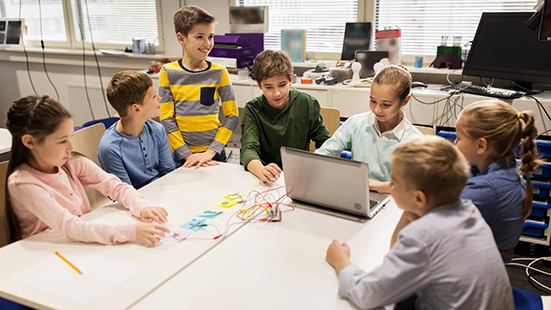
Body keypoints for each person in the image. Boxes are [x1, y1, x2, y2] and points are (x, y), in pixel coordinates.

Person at [326, 136, 513, 310]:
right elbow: (396, 256)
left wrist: (341, 260)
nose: (390, 187)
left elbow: (366, 295)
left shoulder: (423, 236)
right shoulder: (469, 211)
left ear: (419, 197)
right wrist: (410, 210)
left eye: (393, 182)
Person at [4, 95, 170, 247]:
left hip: (82, 242)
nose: (71, 147)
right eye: (62, 141)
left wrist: (141, 206)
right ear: (30, 142)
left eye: (70, 138)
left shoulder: (70, 162)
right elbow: (70, 227)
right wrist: (131, 231)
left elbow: (113, 185)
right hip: (49, 254)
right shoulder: (22, 183)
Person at [315, 65, 422, 194]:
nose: (377, 109)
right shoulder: (356, 124)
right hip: (357, 194)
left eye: (386, 104)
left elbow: (417, 187)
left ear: (405, 101)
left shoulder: (415, 141)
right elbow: (324, 154)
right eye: (372, 101)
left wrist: (380, 186)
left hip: (394, 202)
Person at [455, 100, 538, 263]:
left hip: (474, 270)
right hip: (482, 262)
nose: (455, 144)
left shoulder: (488, 188)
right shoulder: (505, 165)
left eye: (458, 138)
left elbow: (428, 218)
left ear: (481, 146)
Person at [159, 5, 238, 169]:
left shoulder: (220, 72)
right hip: (182, 157)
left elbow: (232, 117)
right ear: (181, 39)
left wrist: (210, 152)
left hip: (214, 154)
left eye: (210, 36)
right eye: (200, 37)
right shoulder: (168, 72)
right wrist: (188, 156)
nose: (207, 43)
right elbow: (167, 118)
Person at [240, 50, 330, 185]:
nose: (276, 93)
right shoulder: (253, 109)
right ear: (259, 85)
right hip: (265, 180)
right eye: (268, 87)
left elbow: (325, 144)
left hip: (300, 177)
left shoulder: (307, 103)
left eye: (282, 85)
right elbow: (248, 149)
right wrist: (261, 170)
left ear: (291, 80)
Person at [98, 70, 175, 189]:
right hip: (135, 201)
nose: (159, 99)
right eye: (154, 96)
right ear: (137, 109)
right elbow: (124, 193)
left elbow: (168, 173)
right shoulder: (110, 147)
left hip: (162, 191)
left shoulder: (157, 129)